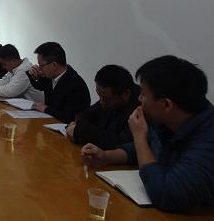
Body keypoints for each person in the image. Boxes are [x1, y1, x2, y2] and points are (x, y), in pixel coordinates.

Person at [82, 56, 214, 212]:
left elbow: (167, 195)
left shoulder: (208, 140)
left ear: (166, 105)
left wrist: (139, 136)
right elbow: (140, 150)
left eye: (143, 95)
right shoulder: (167, 122)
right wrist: (105, 156)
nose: (139, 99)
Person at [66, 65, 139, 149]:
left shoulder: (139, 110)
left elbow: (120, 144)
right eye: (99, 96)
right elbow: (84, 115)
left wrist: (80, 130)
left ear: (126, 94)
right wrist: (76, 125)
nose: (101, 103)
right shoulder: (107, 99)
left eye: (106, 99)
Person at [27, 42, 90, 123]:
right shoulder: (51, 76)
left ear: (54, 65)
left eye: (41, 65)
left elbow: (68, 117)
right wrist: (32, 75)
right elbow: (39, 86)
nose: (39, 68)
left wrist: (45, 109)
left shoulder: (76, 85)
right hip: (49, 122)